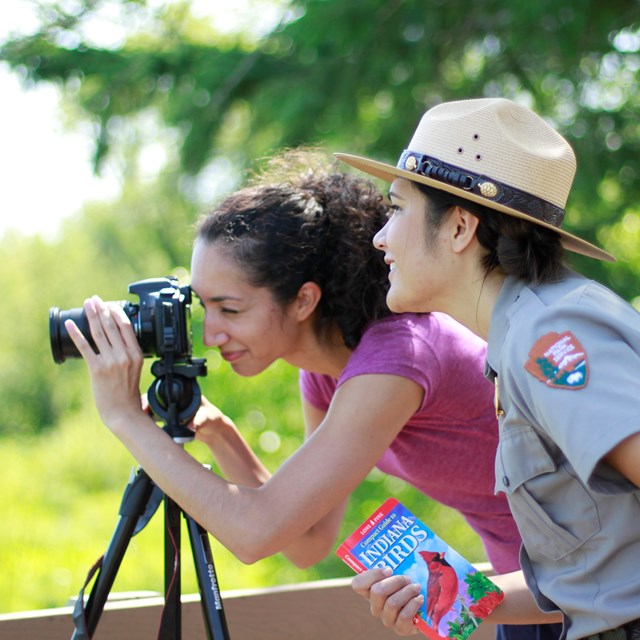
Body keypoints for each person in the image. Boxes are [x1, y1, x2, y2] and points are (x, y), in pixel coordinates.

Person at [65, 151, 560, 640]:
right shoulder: (327, 372)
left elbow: (255, 533)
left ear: (303, 299)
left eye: (230, 310)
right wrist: (220, 435)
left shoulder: (397, 358)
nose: (210, 334)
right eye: (204, 306)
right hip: (529, 591)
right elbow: (306, 541)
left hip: (582, 583)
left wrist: (124, 416)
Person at [335, 98, 640, 640]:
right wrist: (453, 591)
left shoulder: (548, 336)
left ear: (458, 227)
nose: (381, 237)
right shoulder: (521, 335)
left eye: (398, 208)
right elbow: (594, 582)